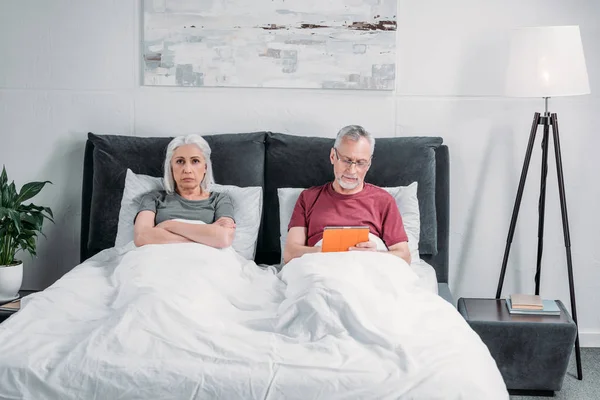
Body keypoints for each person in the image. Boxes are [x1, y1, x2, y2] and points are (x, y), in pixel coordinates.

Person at [283, 125, 411, 264]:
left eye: (361, 163)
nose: (352, 170)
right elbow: (290, 253)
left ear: (369, 164)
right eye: (346, 160)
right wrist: (330, 252)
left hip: (367, 267)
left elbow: (404, 256)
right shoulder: (308, 198)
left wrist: (376, 254)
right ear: (333, 156)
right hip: (321, 266)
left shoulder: (384, 201)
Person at [133, 134, 236, 249]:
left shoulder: (220, 200)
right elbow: (141, 237)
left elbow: (224, 238)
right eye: (180, 161)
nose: (187, 170)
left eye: (195, 161)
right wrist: (206, 237)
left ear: (205, 167)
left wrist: (168, 225)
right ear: (171, 167)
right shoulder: (153, 198)